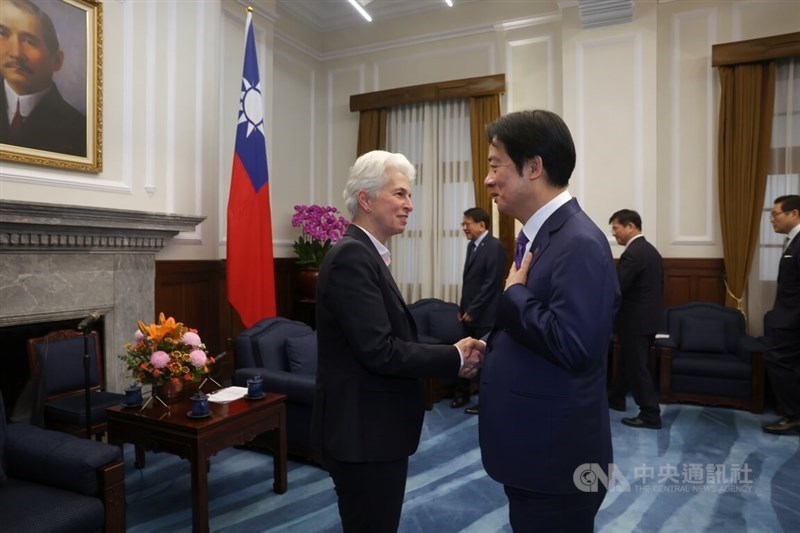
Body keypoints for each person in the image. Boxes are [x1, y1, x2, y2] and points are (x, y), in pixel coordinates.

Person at [310, 149, 484, 532]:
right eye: (400, 194)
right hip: (363, 436)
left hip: (374, 431)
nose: (410, 205)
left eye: (409, 195)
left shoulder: (367, 254)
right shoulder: (351, 257)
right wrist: (453, 358)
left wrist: (448, 353)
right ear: (366, 199)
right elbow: (380, 351)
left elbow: (391, 338)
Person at [478, 110, 620, 531]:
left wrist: (514, 295)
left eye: (494, 165)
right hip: (535, 452)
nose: (488, 180)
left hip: (557, 463)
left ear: (534, 167)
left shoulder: (579, 242)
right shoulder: (543, 237)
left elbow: (576, 346)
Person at [0, 0, 86, 156]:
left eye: (29, 41)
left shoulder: (78, 127)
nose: (16, 53)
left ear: (56, 61)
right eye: (3, 34)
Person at [607, 209, 664, 429]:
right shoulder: (650, 251)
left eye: (616, 229)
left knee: (636, 367)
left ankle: (650, 414)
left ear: (630, 226)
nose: (614, 235)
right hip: (648, 321)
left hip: (635, 322)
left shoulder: (634, 253)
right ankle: (616, 397)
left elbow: (618, 287)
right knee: (629, 363)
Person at [453, 206, 506, 414]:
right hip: (469, 313)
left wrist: (473, 309)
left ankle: (486, 401)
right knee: (465, 354)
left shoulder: (494, 246)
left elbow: (491, 284)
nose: (464, 228)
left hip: (485, 314)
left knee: (487, 359)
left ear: (481, 224)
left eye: (467, 223)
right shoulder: (471, 246)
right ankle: (462, 394)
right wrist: (462, 307)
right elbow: (469, 282)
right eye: (463, 224)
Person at [761, 194, 800, 435]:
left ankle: (793, 415)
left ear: (794, 213)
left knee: (780, 364)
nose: (772, 219)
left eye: (775, 214)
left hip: (793, 322)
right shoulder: (792, 242)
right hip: (786, 320)